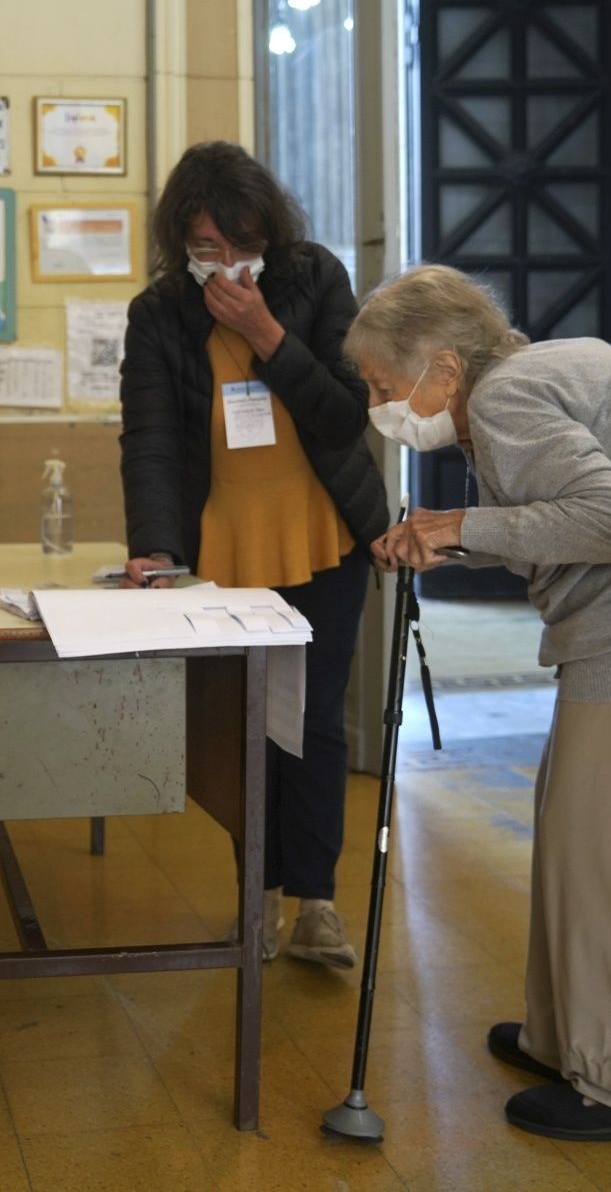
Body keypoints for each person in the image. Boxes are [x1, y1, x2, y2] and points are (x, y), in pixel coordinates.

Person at [349, 265, 611, 1145]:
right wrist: (448, 543)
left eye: (385, 386)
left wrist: (456, 527)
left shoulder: (505, 401)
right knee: (572, 830)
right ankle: (563, 1038)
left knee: (604, 851)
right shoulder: (520, 382)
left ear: (443, 370)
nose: (381, 405)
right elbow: (554, 523)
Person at [118, 141, 388, 968]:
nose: (227, 265)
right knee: (245, 731)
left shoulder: (315, 280)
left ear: (268, 231)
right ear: (181, 243)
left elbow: (348, 414)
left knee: (314, 723)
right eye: (207, 250)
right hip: (222, 553)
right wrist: (154, 547)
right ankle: (256, 901)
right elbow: (152, 440)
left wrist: (268, 334)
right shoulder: (160, 312)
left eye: (241, 245)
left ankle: (317, 906)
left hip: (323, 541)